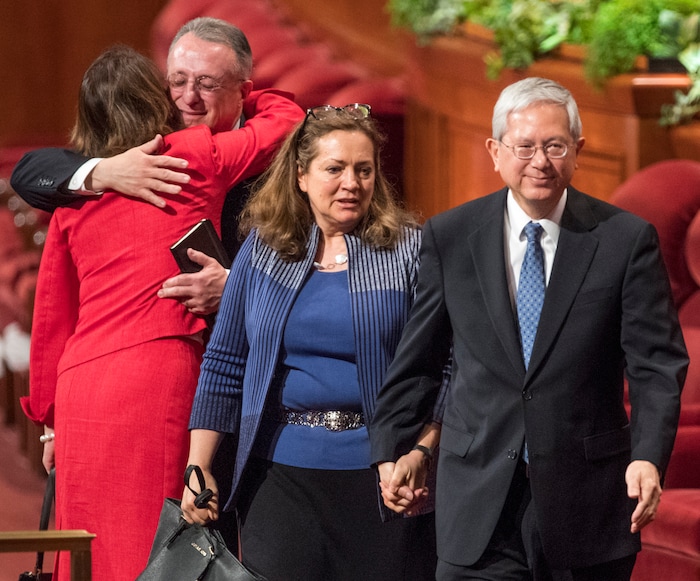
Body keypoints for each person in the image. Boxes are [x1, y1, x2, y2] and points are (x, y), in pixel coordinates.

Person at [370, 77, 688, 581]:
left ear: (578, 151)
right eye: (525, 147)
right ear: (496, 152)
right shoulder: (451, 236)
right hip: (477, 500)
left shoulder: (625, 240)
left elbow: (655, 365)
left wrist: (649, 456)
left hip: (587, 501)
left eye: (555, 146)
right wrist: (393, 449)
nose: (540, 161)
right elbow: (419, 360)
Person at [20, 45, 303, 581]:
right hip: (158, 374)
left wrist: (48, 423)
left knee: (88, 542)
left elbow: (52, 317)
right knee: (157, 538)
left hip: (81, 387)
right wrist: (247, 89)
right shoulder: (195, 155)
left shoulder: (73, 197)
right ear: (158, 100)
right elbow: (285, 120)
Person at [180, 104, 445, 581]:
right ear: (301, 175)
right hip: (278, 477)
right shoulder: (263, 248)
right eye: (335, 169)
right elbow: (224, 362)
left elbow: (445, 365)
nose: (352, 183)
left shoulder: (410, 249)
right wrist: (198, 468)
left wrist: (421, 453)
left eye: (364, 170)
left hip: (382, 477)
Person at [11, 16, 259, 316]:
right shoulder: (141, 151)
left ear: (243, 92)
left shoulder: (272, 158)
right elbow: (29, 173)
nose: (189, 98)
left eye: (207, 84)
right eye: (178, 82)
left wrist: (234, 287)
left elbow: (315, 269)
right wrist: (106, 171)